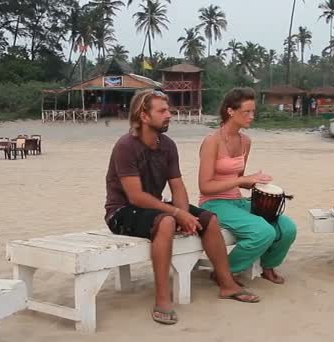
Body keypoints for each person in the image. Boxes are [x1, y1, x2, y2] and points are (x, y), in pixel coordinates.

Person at [104, 89, 259, 325]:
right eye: (162, 111)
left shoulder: (167, 145)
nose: (170, 115)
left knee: (209, 219)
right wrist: (176, 213)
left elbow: (177, 186)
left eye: (169, 110)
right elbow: (135, 196)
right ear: (143, 116)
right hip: (122, 211)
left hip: (152, 207)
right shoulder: (126, 146)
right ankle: (163, 299)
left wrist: (185, 212)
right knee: (166, 222)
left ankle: (227, 284)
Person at [198, 87, 297, 285]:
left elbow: (240, 178)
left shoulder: (245, 141)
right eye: (247, 112)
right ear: (230, 111)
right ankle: (223, 271)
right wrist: (241, 181)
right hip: (214, 203)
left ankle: (267, 266)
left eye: (253, 111)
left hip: (237, 200)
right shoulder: (212, 141)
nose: (252, 116)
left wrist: (258, 184)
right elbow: (205, 187)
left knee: (287, 228)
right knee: (263, 231)